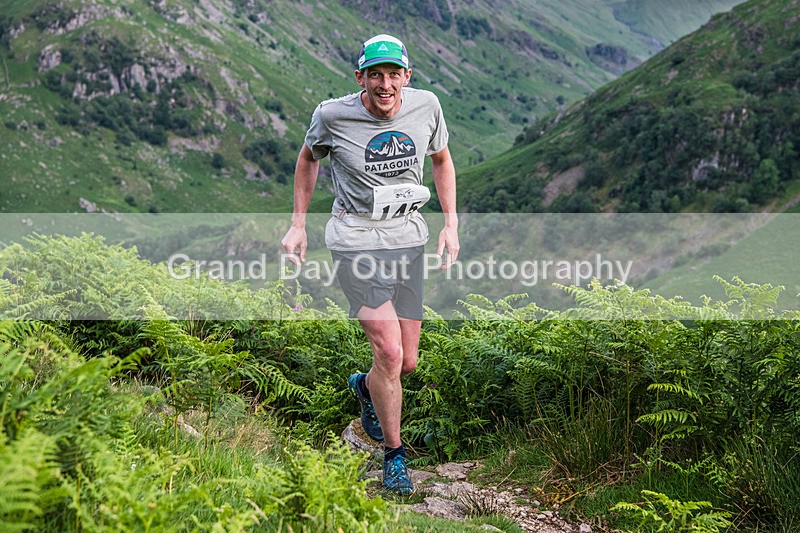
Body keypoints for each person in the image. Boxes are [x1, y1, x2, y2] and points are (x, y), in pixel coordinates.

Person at [280, 33, 459, 494]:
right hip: (355, 238)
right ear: (360, 77)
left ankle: (364, 387)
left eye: (393, 74)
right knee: (390, 352)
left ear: (407, 76)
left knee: (408, 363)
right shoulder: (332, 115)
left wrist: (450, 223)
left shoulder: (427, 107)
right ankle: (395, 458)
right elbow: (307, 158)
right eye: (374, 74)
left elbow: (441, 159)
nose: (385, 84)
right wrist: (298, 225)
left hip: (408, 237)